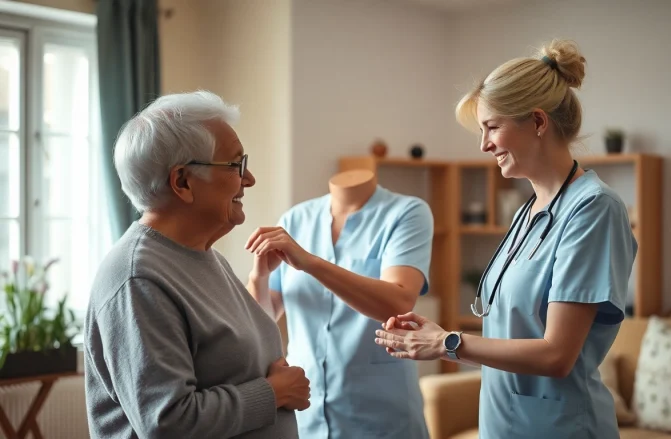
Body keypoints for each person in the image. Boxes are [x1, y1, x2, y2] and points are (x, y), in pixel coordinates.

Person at [374, 39, 638, 439]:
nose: (484, 145)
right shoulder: (525, 213)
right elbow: (510, 338)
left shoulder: (594, 209)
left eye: (492, 127)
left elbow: (556, 355)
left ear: (538, 122)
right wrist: (436, 334)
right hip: (502, 427)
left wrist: (446, 342)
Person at [83, 91, 308, 439]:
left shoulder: (205, 257)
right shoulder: (138, 278)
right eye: (236, 166)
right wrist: (274, 393)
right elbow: (167, 422)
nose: (249, 179)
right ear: (183, 181)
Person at [245, 169, 432, 439]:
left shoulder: (407, 212)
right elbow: (260, 322)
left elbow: (398, 302)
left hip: (382, 416)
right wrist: (259, 277)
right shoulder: (295, 219)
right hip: (304, 414)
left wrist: (310, 263)